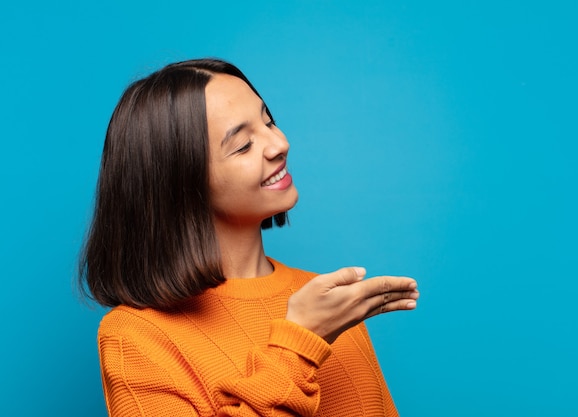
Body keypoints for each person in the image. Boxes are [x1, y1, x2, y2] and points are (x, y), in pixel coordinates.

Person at [80, 58, 419, 417]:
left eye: (269, 121)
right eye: (243, 145)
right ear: (180, 184)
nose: (279, 144)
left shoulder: (329, 303)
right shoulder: (135, 337)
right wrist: (300, 344)